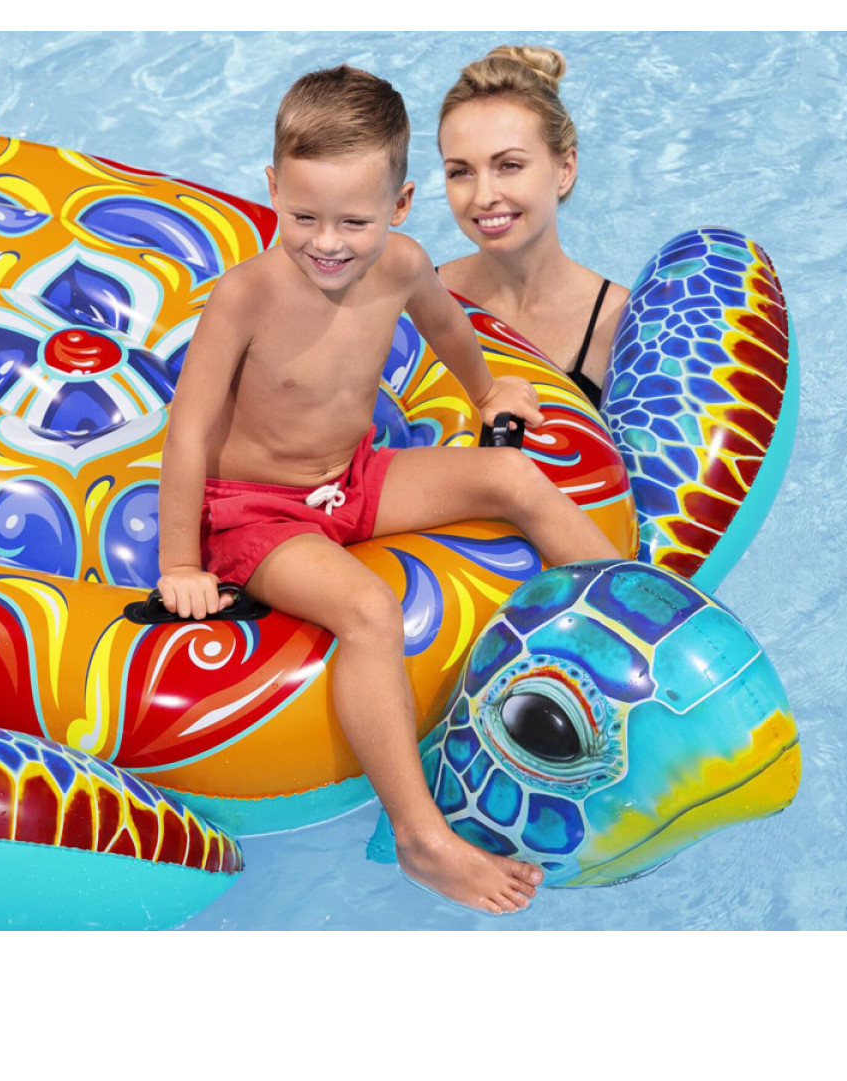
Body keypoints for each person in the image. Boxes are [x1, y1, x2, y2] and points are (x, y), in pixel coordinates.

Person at [156, 64, 622, 915]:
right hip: (255, 514)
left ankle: (639, 627)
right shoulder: (247, 295)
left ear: (401, 205)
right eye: (303, 217)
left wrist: (487, 393)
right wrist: (181, 564)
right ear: (272, 190)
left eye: (354, 221)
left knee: (511, 475)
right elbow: (187, 432)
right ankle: (420, 837)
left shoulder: (402, 266)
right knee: (369, 611)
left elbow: (447, 328)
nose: (328, 243)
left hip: (352, 479)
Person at [436, 45, 628, 408]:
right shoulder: (413, 305)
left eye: (509, 165)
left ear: (565, 170)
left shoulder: (622, 324)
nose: (483, 196)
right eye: (460, 172)